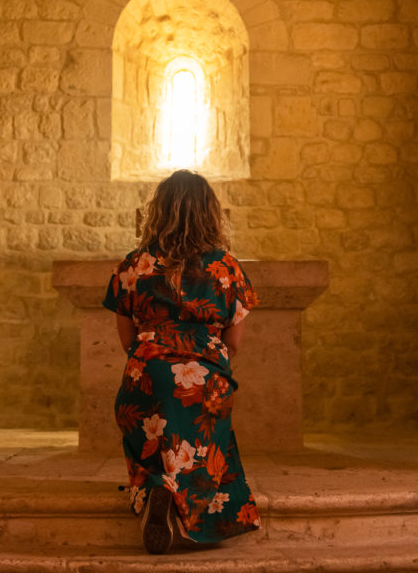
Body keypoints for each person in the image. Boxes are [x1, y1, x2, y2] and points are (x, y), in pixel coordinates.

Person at [102, 169, 261, 554]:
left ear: (159, 211)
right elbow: (233, 342)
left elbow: (127, 338)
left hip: (148, 368)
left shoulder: (133, 265)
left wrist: (158, 357)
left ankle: (155, 489)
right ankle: (186, 504)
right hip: (204, 375)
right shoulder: (226, 268)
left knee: (154, 426)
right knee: (201, 435)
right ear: (210, 214)